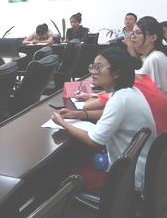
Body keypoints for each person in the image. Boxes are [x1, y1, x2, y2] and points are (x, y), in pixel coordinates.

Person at [51, 47, 156, 188]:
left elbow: (94, 141)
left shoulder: (119, 100)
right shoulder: (130, 92)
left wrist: (62, 123)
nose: (93, 72)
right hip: (142, 169)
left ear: (116, 72)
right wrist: (80, 114)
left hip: (127, 180)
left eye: (98, 67)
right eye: (93, 66)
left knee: (62, 169)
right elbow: (111, 116)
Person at [129, 16, 167, 94]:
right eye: (132, 32)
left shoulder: (155, 58)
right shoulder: (146, 58)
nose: (133, 36)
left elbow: (161, 94)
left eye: (138, 33)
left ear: (153, 38)